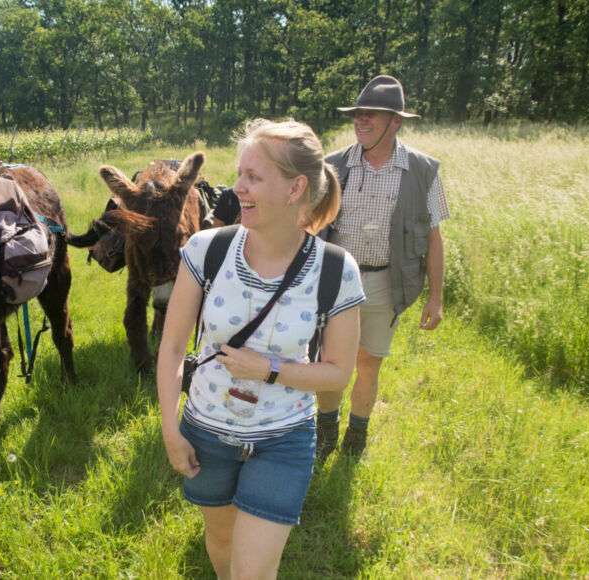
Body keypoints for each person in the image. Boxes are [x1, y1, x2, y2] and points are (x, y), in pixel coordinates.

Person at [157, 119, 366, 578]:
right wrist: (171, 429)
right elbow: (172, 347)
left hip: (284, 440)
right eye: (240, 174)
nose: (237, 187)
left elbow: (337, 374)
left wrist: (269, 368)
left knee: (253, 571)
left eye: (253, 177)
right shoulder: (205, 250)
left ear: (295, 189)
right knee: (222, 541)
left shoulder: (336, 270)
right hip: (206, 433)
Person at [315, 75, 451, 460]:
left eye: (370, 115)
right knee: (329, 362)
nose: (360, 120)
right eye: (357, 114)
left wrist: (436, 298)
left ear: (395, 122)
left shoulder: (423, 171)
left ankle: (355, 438)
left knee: (368, 361)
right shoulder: (333, 166)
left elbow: (434, 238)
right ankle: (325, 431)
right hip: (334, 282)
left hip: (385, 280)